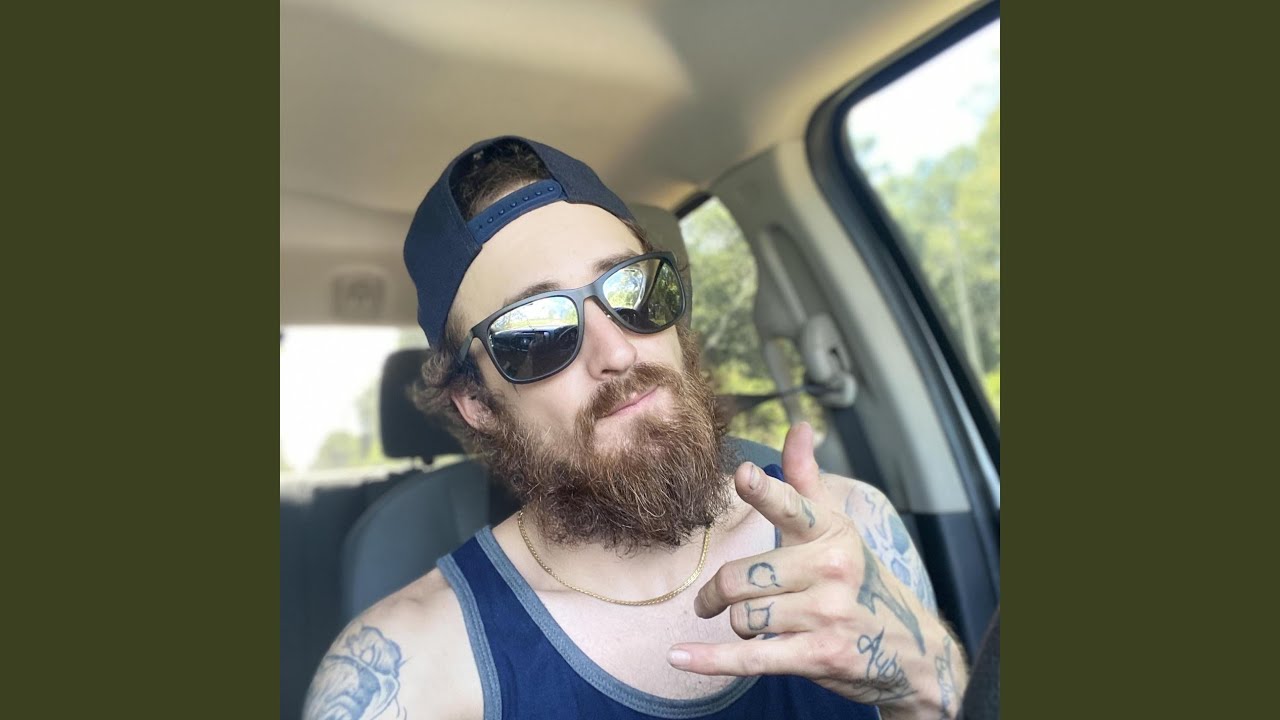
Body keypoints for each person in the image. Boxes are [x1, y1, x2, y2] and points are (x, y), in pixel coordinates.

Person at [304, 136, 969, 720]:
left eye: (632, 290)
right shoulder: (410, 674)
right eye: (536, 332)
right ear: (476, 402)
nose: (618, 351)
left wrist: (921, 684)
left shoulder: (850, 536)